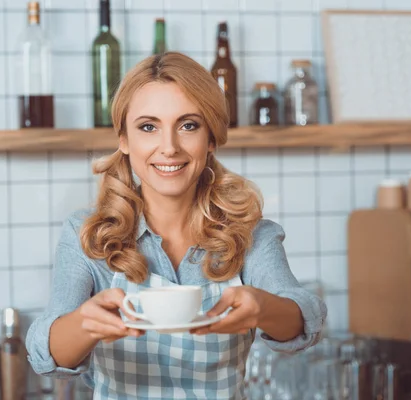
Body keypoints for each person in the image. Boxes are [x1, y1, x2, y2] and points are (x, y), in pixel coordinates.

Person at [26, 52, 327, 399]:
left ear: (211, 138)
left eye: (188, 125)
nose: (168, 148)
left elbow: (302, 316)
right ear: (124, 139)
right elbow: (45, 356)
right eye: (148, 127)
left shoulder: (250, 234)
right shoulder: (89, 235)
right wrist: (84, 324)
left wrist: (263, 308)